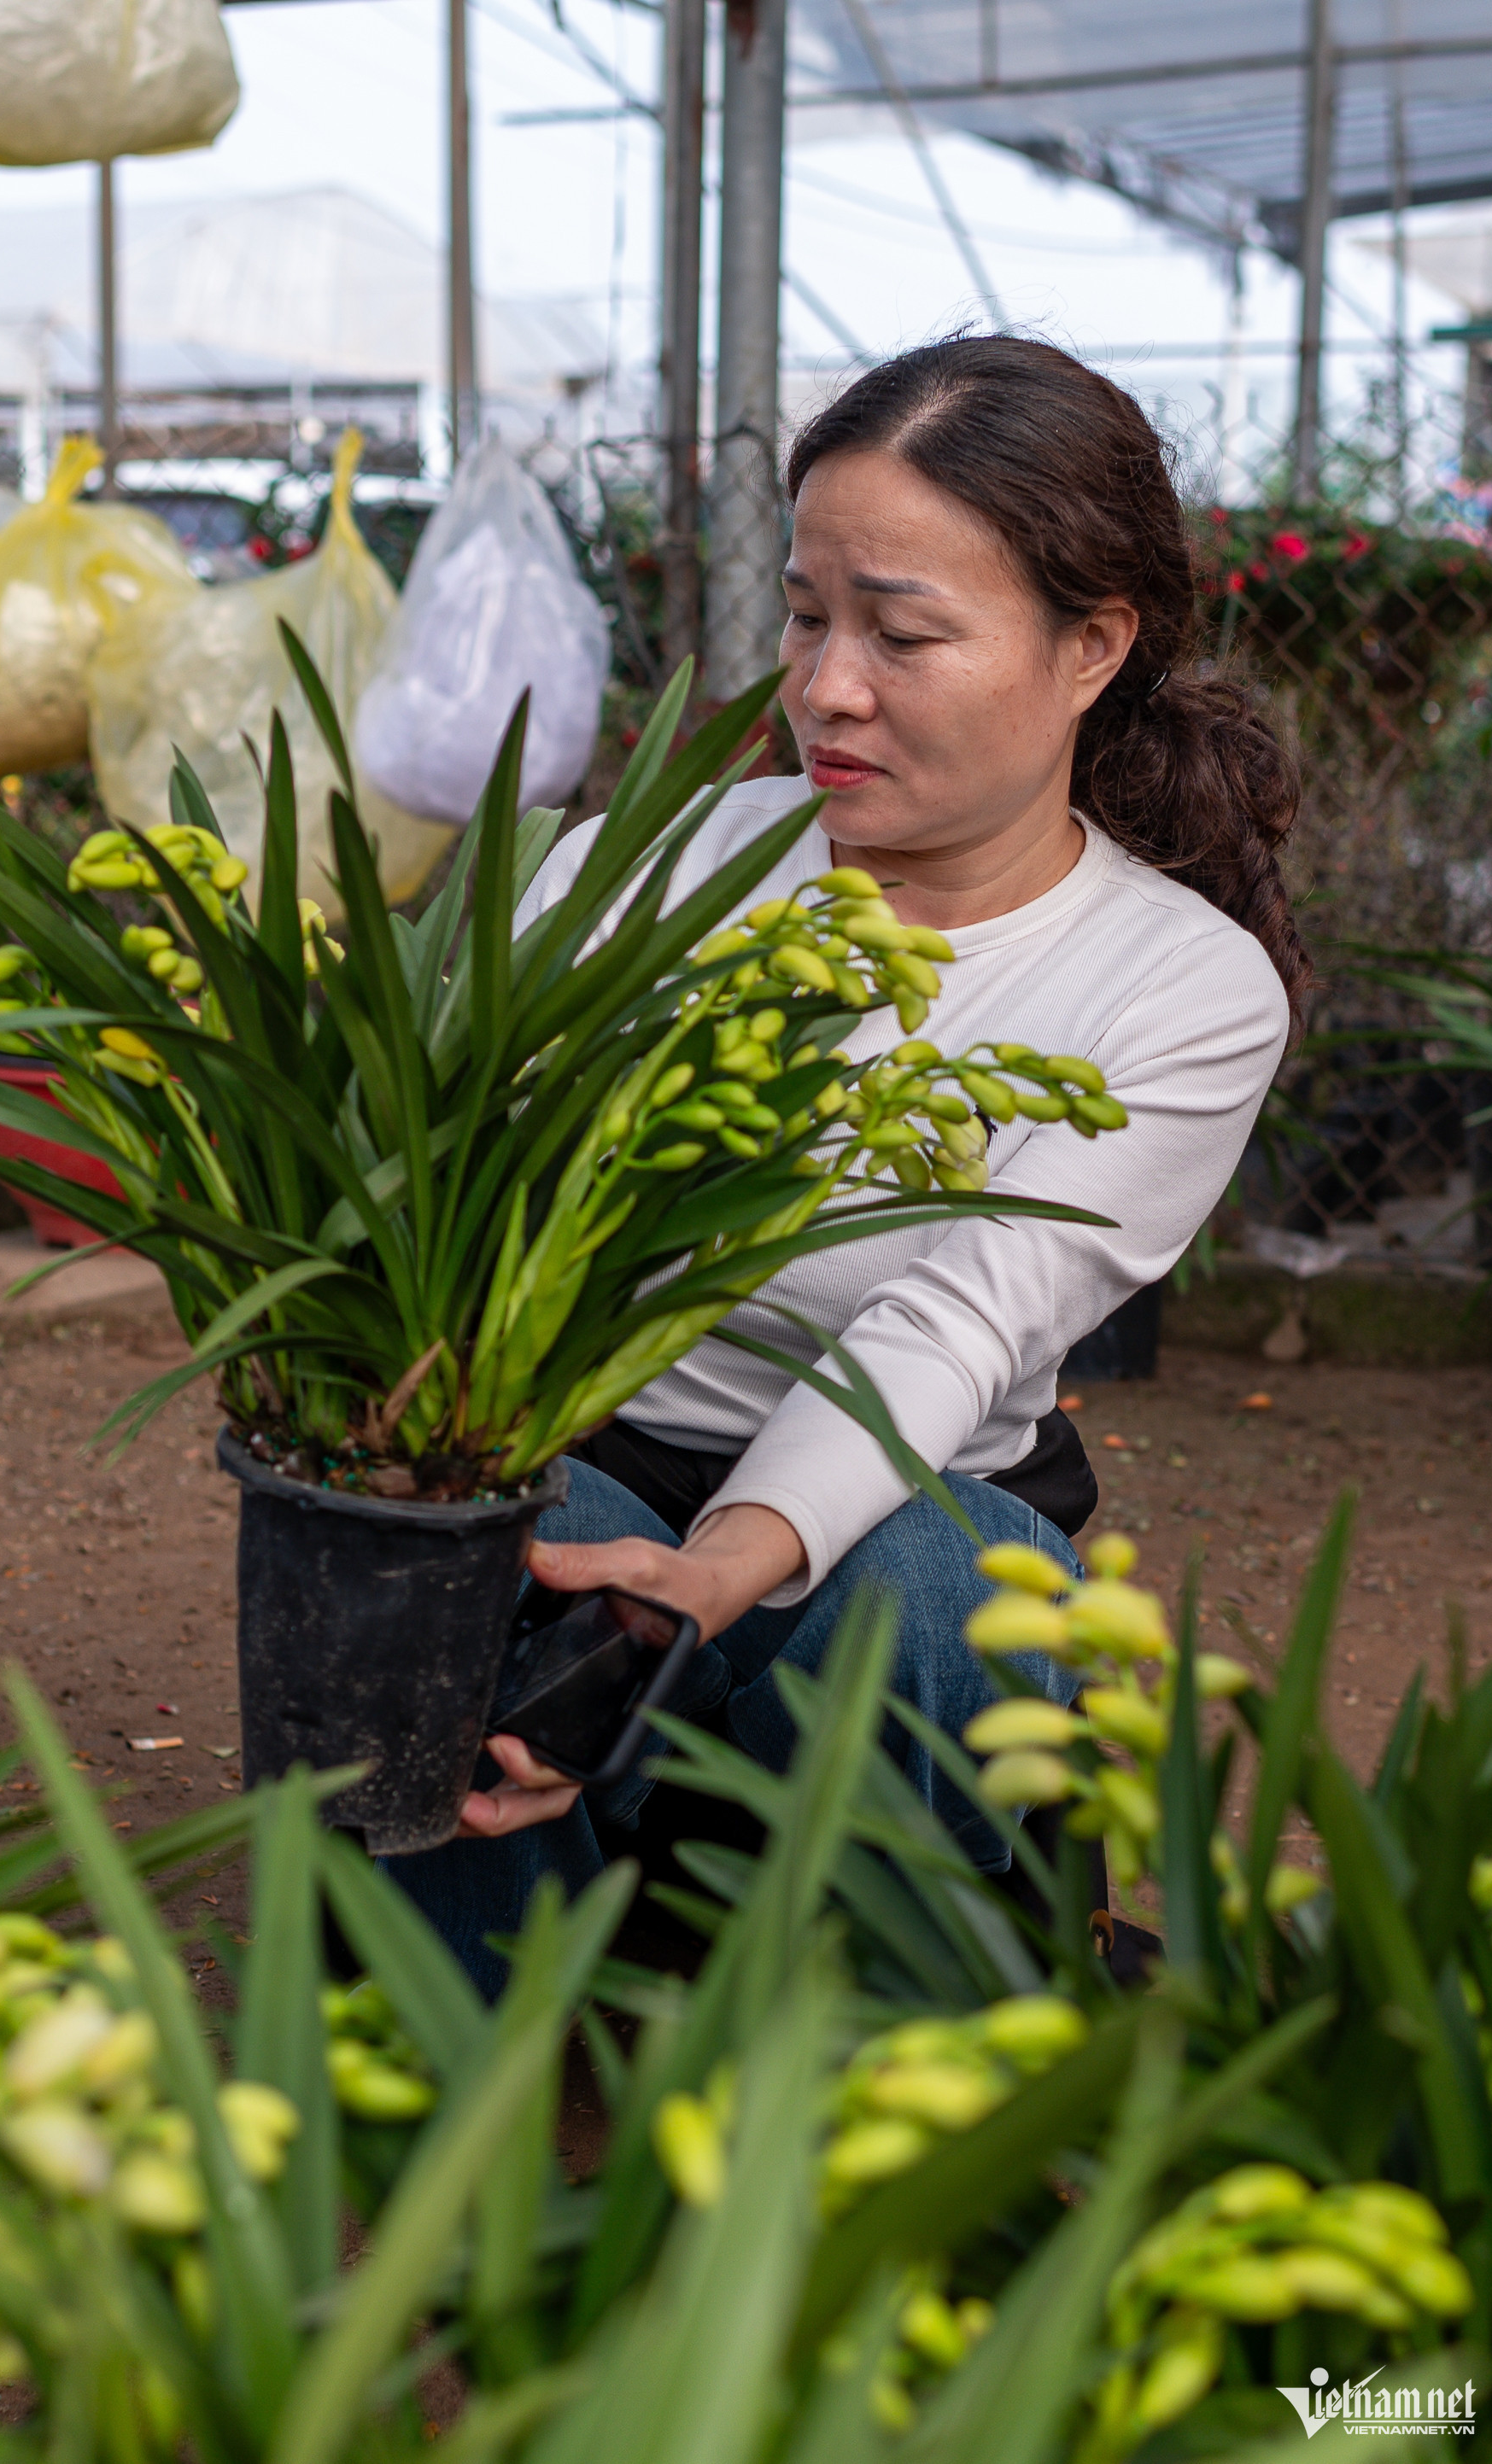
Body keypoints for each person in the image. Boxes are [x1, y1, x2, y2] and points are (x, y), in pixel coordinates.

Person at [388, 335, 1308, 1996]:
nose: (825, 684)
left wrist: (718, 1570)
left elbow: (957, 1323)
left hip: (919, 1496)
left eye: (903, 631)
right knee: (455, 1562)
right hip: (585, 1450)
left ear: (1092, 646)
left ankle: (880, 2023)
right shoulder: (642, 873)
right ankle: (479, 2078)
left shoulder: (1179, 986)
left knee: (916, 1585)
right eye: (810, 615)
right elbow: (440, 1183)